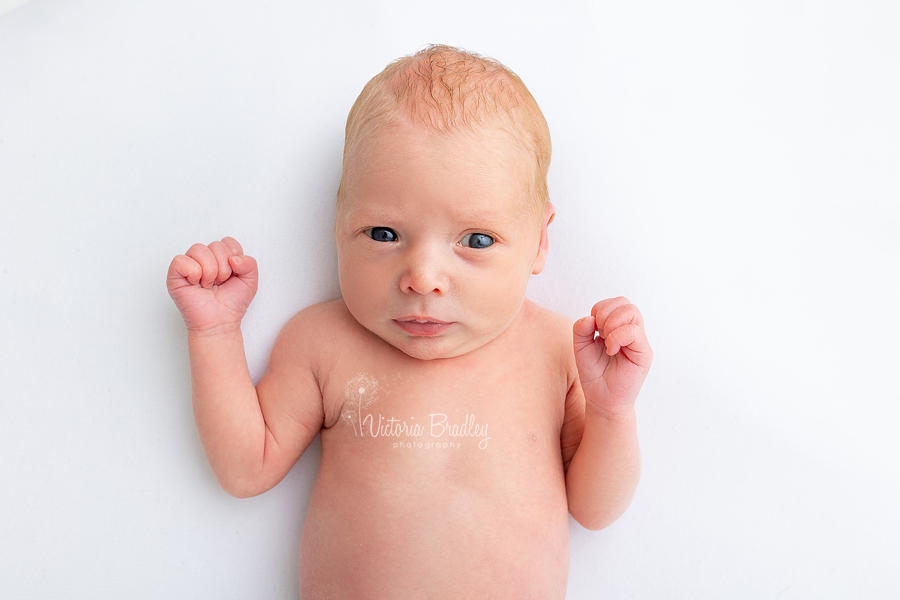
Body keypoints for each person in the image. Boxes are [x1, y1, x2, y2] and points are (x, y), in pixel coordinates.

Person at [166, 44, 652, 598]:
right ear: (337, 223)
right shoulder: (324, 344)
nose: (423, 278)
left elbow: (594, 509)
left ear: (540, 241)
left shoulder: (556, 351)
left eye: (476, 240)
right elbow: (245, 468)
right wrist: (214, 332)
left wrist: (613, 412)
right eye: (383, 234)